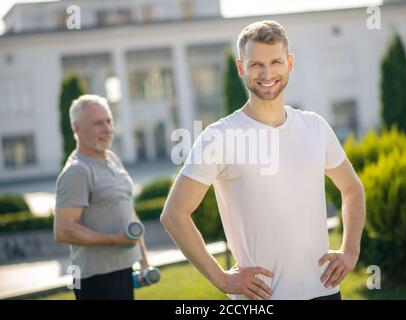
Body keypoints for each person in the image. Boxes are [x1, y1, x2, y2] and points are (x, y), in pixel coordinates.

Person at [161, 20, 366, 300]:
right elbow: (174, 215)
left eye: (275, 62)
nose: (267, 73)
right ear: (241, 67)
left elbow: (352, 189)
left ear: (289, 63)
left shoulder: (314, 126)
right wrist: (221, 278)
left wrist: (350, 251)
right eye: (256, 64)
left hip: (325, 292)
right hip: (262, 298)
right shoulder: (219, 136)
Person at [54, 94, 150, 300]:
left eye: (109, 121)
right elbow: (63, 230)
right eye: (98, 123)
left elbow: (128, 209)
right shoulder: (77, 171)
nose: (107, 129)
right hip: (95, 279)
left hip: (123, 269)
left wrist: (144, 261)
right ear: (76, 128)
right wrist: (116, 240)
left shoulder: (113, 159)